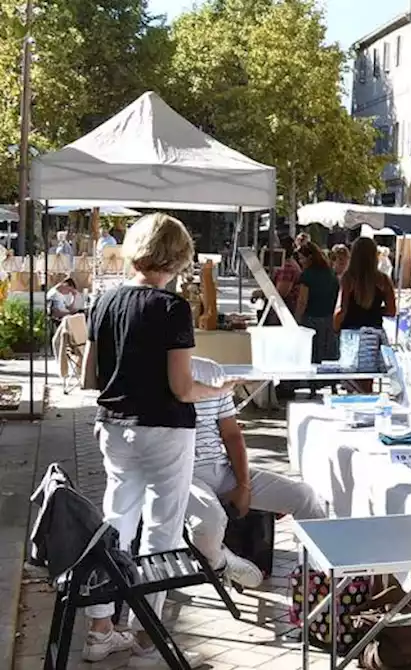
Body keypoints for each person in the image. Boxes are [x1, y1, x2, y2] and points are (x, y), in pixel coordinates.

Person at [80, 213, 234, 667]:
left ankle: (99, 627)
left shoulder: (103, 302)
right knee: (162, 532)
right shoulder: (172, 308)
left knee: (115, 523)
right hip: (164, 427)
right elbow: (183, 388)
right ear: (179, 257)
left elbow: (91, 375)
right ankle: (149, 639)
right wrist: (220, 390)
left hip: (113, 423)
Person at [186, 358, 325, 589]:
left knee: (305, 497)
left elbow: (231, 434)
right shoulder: (149, 377)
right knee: (210, 522)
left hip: (220, 470)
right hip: (179, 474)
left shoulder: (210, 371)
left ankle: (319, 582)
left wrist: (243, 486)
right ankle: (222, 563)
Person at [335, 238, 397, 391]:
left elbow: (341, 309)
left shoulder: (348, 278)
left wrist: (335, 327)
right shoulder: (383, 279)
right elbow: (392, 310)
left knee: (351, 379)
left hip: (352, 332)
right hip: (374, 332)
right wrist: (375, 310)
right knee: (368, 381)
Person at [294, 242, 340, 365]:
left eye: (301, 258)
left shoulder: (307, 275)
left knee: (312, 354)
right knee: (326, 354)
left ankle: (312, 383)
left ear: (309, 258)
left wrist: (296, 321)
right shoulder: (331, 273)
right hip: (329, 319)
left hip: (311, 319)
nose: (300, 261)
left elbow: (302, 301)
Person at [272, 238, 302, 315]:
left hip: (285, 309)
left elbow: (281, 293)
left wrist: (262, 294)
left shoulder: (287, 267)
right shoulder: (291, 263)